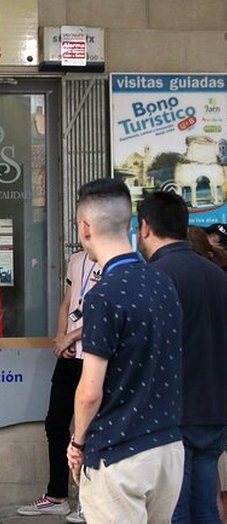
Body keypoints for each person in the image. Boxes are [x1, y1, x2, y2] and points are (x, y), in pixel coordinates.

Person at [67, 178, 184, 523]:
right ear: (132, 224)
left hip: (119, 453)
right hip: (168, 448)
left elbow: (89, 391)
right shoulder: (162, 282)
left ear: (85, 228)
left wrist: (77, 443)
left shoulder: (103, 295)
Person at [137, 191, 227, 524]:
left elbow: (146, 349)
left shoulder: (156, 276)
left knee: (175, 511)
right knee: (206, 507)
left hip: (174, 413)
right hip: (215, 411)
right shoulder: (217, 275)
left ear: (144, 227)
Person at [18, 250, 99, 524]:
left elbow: (106, 316)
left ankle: (90, 503)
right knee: (56, 424)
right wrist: (60, 337)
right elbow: (67, 303)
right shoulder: (76, 260)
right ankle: (56, 497)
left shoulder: (114, 261)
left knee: (90, 429)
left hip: (95, 357)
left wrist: (72, 337)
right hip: (69, 357)